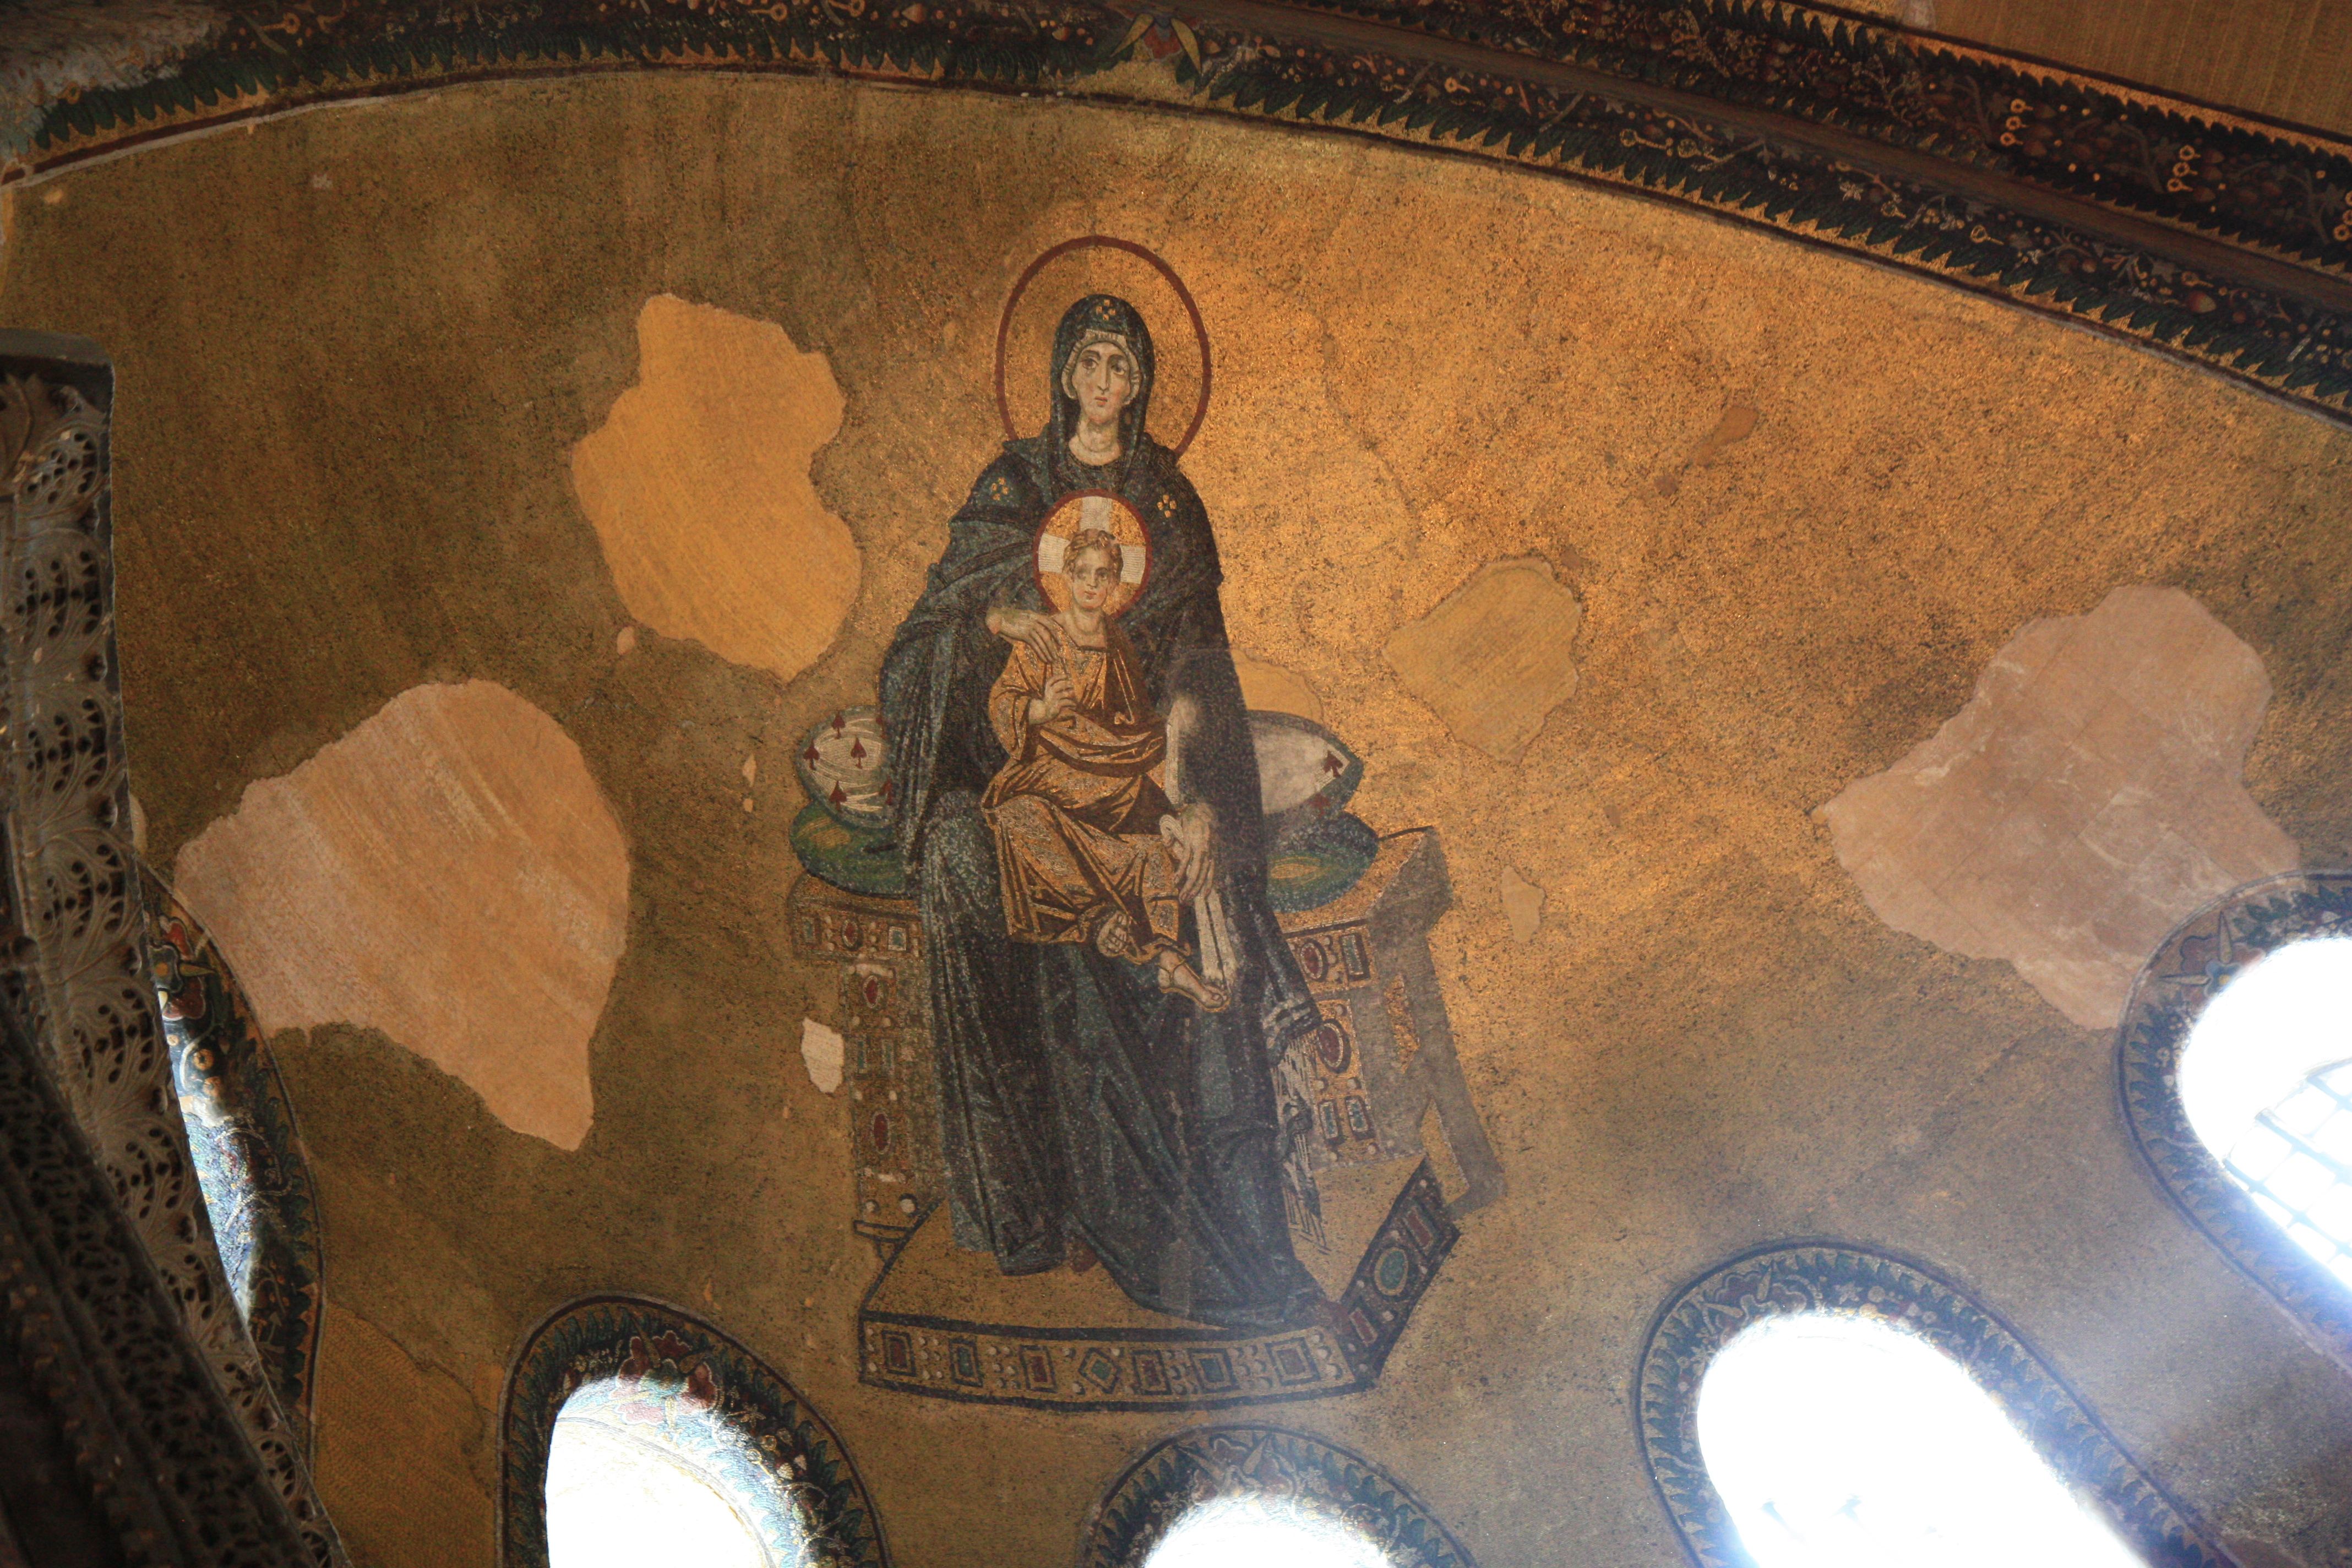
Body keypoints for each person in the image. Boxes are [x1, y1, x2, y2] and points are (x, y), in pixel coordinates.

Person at [880, 293, 1322, 1329]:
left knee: (1203, 913)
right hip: (1035, 780)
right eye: (1089, 362)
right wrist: (999, 622)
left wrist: (1197, 800)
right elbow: (929, 644)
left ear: (1144, 383)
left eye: (1122, 366)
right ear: (1061, 375)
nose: (1104, 384)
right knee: (973, 864)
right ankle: (1038, 1205)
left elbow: (1198, 676)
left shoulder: (1168, 504)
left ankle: (1239, 1238)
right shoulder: (1011, 490)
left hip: (1143, 781)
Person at [982, 524, 1229, 1012]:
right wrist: (1039, 711)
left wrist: (1150, 749)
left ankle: (1170, 961)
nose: (1091, 584)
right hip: (1050, 770)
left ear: (1115, 582)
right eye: (1082, 573)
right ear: (1067, 576)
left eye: (1102, 575)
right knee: (1018, 815)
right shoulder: (1044, 635)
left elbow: (1132, 720)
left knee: (1152, 849)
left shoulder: (1116, 643)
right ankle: (1096, 917)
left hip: (1106, 769)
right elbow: (1002, 700)